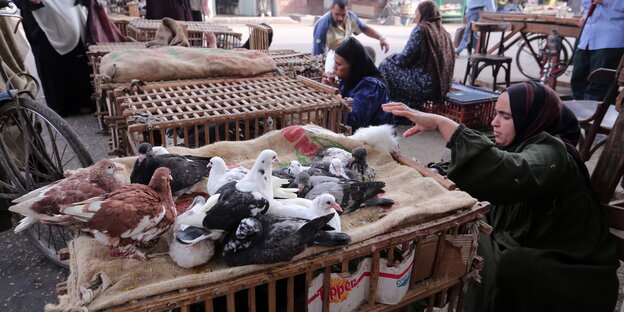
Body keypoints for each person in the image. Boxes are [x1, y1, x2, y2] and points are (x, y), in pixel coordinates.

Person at [382, 81, 619, 312]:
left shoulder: (553, 152)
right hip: (522, 242)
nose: (494, 122)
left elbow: (507, 171)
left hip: (566, 265)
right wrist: (435, 173)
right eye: (496, 113)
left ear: (533, 117)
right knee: (452, 233)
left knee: (474, 247)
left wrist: (442, 124)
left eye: (506, 116)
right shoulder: (520, 142)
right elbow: (485, 163)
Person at [15, 0, 95, 117]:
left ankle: (83, 101)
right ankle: (60, 106)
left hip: (68, 8)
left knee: (77, 55)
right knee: (49, 58)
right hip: (40, 15)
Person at [378, 0, 454, 110]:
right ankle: (405, 105)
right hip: (441, 86)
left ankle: (397, 107)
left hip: (425, 87)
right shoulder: (444, 32)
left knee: (385, 65)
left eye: (416, 13)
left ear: (423, 14)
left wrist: (390, 57)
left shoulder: (422, 30)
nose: (415, 16)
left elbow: (404, 59)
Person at [321, 37, 393, 131]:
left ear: (354, 66)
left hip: (372, 141)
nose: (334, 67)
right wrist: (332, 89)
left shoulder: (372, 86)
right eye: (334, 62)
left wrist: (336, 98)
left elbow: (355, 121)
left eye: (338, 64)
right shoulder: (349, 79)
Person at [571, 0, 624, 101]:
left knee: (598, 86)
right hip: (587, 37)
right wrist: (586, 15)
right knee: (578, 78)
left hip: (610, 38)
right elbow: (587, 3)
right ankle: (576, 111)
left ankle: (594, 114)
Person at [312, 0, 389, 56]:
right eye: (337, 14)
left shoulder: (351, 17)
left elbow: (364, 28)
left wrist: (381, 38)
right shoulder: (323, 27)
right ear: (331, 9)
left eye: (343, 15)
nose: (340, 18)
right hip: (331, 59)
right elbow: (318, 56)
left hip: (345, 54)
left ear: (348, 10)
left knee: (369, 52)